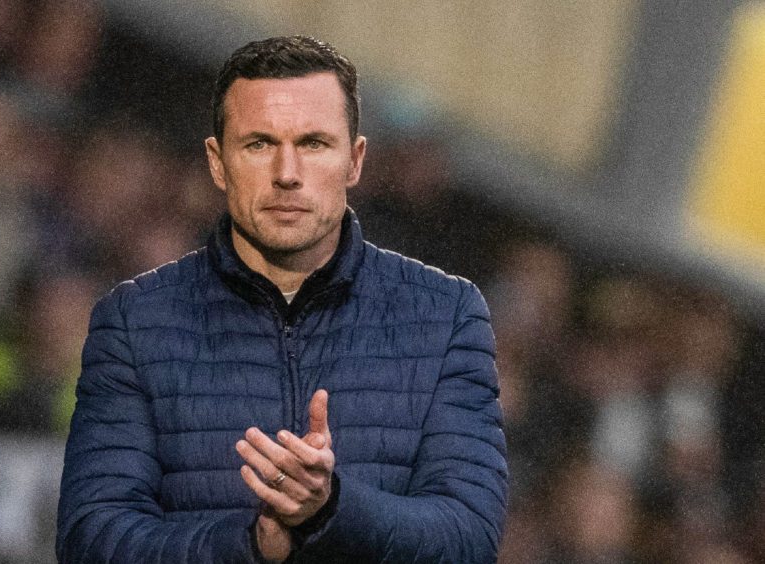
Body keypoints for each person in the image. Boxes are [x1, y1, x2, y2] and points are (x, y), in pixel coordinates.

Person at [57, 35, 507, 563]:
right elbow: (91, 540)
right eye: (259, 144)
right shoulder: (134, 322)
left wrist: (329, 507)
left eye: (314, 143)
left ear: (355, 161)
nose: (287, 174)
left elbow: (469, 539)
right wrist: (248, 546)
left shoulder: (447, 316)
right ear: (217, 162)